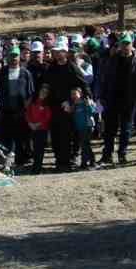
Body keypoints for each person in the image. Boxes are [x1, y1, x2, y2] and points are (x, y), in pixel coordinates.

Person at [40, 39, 84, 172]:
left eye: (61, 51)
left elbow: (82, 84)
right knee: (55, 135)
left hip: (68, 106)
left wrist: (73, 100)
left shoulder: (72, 67)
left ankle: (66, 161)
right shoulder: (51, 68)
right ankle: (59, 160)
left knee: (67, 135)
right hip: (53, 106)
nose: (59, 54)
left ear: (66, 53)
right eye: (57, 52)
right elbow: (45, 83)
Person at [101, 34, 136, 166]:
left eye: (127, 44)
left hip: (129, 100)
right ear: (119, 45)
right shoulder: (113, 59)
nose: (125, 46)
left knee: (126, 129)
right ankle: (107, 155)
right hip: (113, 98)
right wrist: (103, 95)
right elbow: (106, 78)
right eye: (123, 44)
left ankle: (122, 154)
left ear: (132, 45)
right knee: (110, 128)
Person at [24, 85, 53, 174]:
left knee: (39, 149)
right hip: (33, 128)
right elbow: (28, 113)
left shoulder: (47, 103)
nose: (43, 94)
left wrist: (38, 124)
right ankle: (34, 166)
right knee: (34, 148)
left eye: (45, 93)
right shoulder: (33, 101)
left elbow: (48, 117)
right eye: (42, 91)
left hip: (42, 129)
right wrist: (30, 123)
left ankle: (38, 168)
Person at [70, 86, 99, 170]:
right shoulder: (74, 105)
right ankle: (91, 162)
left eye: (75, 94)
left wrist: (88, 105)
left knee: (84, 145)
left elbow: (94, 111)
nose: (73, 96)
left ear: (80, 94)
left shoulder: (86, 101)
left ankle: (85, 163)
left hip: (88, 126)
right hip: (80, 127)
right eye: (71, 94)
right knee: (85, 145)